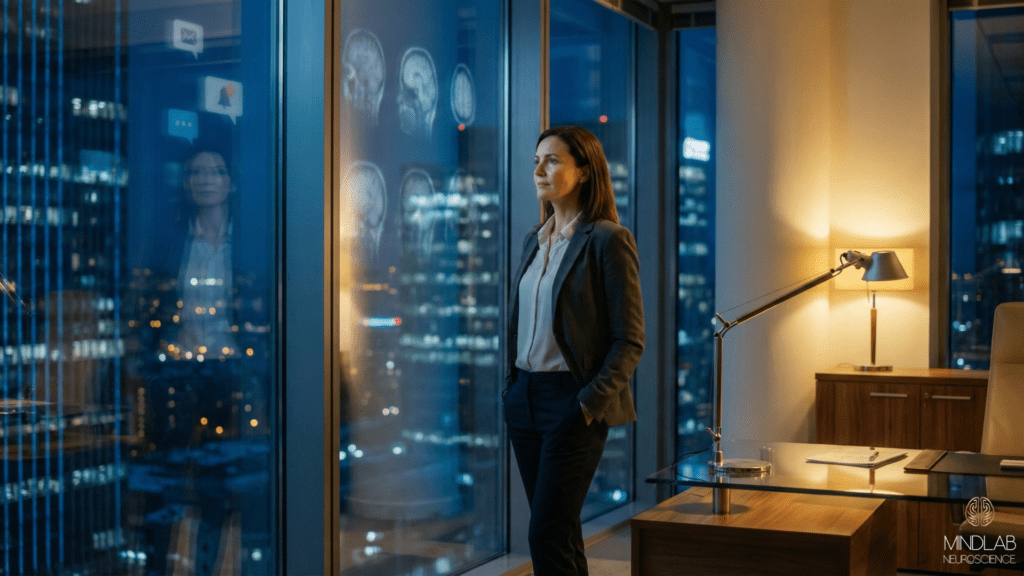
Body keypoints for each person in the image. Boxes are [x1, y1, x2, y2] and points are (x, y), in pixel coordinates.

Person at [503, 125, 645, 575]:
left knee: (545, 533)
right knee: (559, 533)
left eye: (553, 160)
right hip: (524, 400)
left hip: (571, 402)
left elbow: (630, 340)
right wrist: (510, 389)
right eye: (536, 162)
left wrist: (586, 406)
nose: (539, 171)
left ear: (584, 171)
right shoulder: (534, 240)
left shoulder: (607, 239)